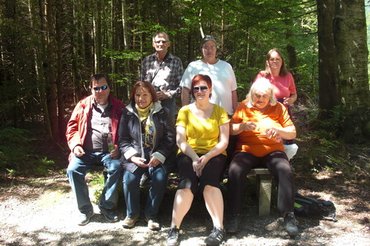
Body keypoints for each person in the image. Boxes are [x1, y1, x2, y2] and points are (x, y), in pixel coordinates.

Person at [226, 77, 299, 237]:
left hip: (272, 150)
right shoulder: (243, 107)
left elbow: (292, 132)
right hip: (246, 150)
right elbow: (230, 129)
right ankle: (233, 215)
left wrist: (278, 130)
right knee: (235, 170)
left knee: (284, 169)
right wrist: (243, 126)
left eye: (263, 96)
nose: (259, 99)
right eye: (257, 95)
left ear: (270, 96)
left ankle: (288, 215)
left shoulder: (278, 108)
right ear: (252, 94)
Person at [167, 74, 230, 246]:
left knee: (210, 183)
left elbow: (224, 142)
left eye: (203, 87)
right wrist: (195, 158)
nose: (200, 91)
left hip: (214, 154)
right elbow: (181, 140)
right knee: (187, 184)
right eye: (196, 88)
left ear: (210, 90)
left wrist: (207, 157)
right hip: (188, 154)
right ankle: (174, 228)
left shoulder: (219, 111)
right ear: (192, 91)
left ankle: (219, 228)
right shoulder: (184, 111)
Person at [66, 74, 125, 226]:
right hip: (86, 152)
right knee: (73, 170)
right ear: (91, 89)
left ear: (109, 88)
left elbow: (126, 131)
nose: (100, 91)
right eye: (96, 88)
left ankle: (107, 206)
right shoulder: (83, 105)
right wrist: (76, 145)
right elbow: (72, 128)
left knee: (117, 167)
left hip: (109, 153)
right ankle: (85, 210)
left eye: (103, 87)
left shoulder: (119, 106)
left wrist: (119, 147)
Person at [118, 81, 176, 231]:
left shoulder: (162, 112)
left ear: (152, 96)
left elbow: (170, 138)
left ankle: (151, 215)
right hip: (135, 156)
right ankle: (132, 214)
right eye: (138, 95)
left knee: (160, 179)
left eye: (145, 94)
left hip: (157, 156)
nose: (141, 98)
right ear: (133, 96)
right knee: (129, 179)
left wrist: (159, 155)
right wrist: (132, 157)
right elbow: (123, 140)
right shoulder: (127, 113)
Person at [255, 48, 298, 160]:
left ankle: (282, 163)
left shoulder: (288, 76)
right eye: (272, 59)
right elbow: (254, 93)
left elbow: (294, 94)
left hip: (284, 112)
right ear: (267, 61)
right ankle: (266, 161)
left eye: (278, 59)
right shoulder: (262, 75)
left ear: (282, 61)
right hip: (266, 112)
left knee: (286, 142)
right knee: (269, 138)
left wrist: (291, 100)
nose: (275, 61)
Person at [180, 35, 238, 117]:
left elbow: (233, 91)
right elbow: (185, 90)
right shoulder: (193, 66)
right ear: (202, 49)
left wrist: (236, 114)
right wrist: (185, 114)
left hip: (226, 115)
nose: (209, 50)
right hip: (201, 116)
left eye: (212, 47)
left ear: (216, 48)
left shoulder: (227, 66)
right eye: (206, 47)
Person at [140, 31, 184, 119]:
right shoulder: (147, 60)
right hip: (149, 102)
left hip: (168, 104)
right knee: (148, 129)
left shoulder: (176, 61)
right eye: (158, 42)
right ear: (153, 44)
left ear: (168, 44)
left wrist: (167, 94)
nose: (161, 44)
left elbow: (181, 87)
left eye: (164, 41)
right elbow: (141, 84)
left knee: (168, 131)